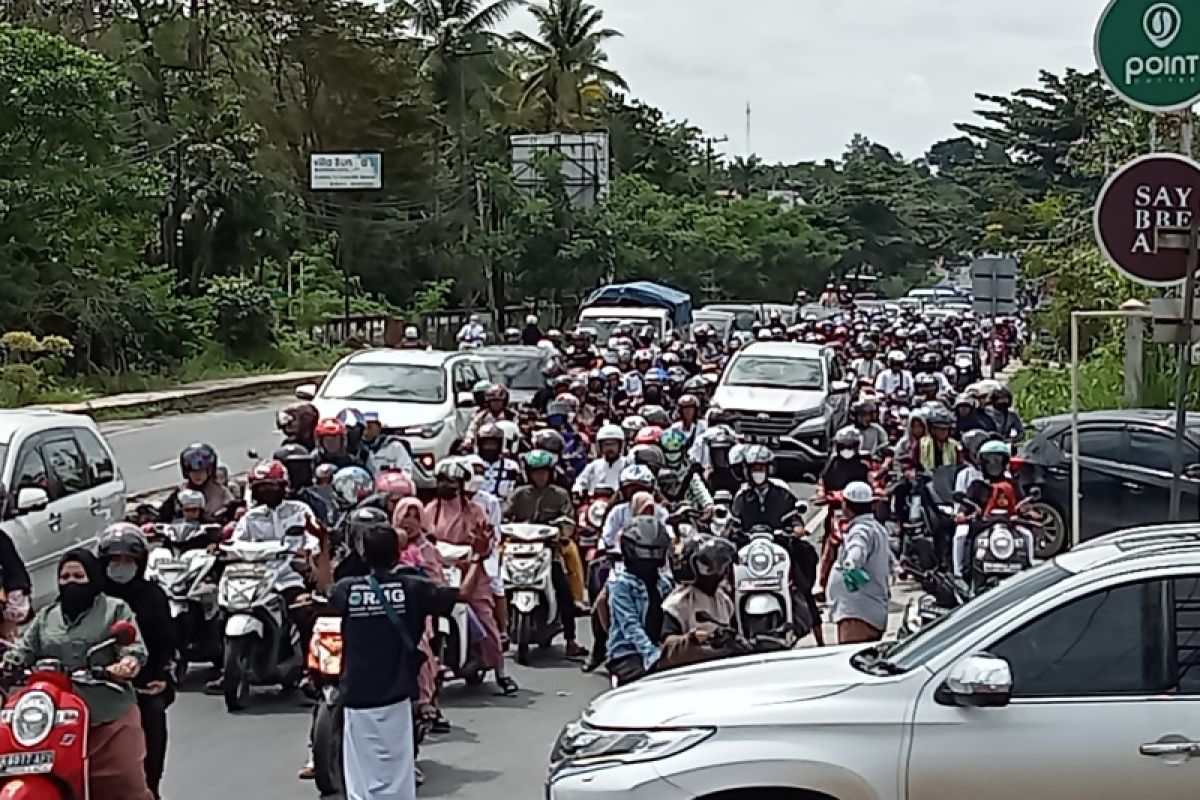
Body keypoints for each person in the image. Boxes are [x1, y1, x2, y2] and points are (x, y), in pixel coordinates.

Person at [4, 550, 153, 800]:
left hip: (106, 714)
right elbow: (23, 650)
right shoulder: (47, 616)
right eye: (64, 576)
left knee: (124, 784)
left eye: (78, 576)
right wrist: (7, 666)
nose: (70, 582)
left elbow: (133, 647)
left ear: (93, 577)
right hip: (55, 718)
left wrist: (125, 664)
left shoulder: (114, 609)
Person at [331, 523, 458, 800]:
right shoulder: (414, 588)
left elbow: (328, 586)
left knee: (362, 775)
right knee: (397, 772)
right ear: (397, 554)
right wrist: (481, 559)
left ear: (363, 555)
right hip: (397, 695)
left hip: (357, 697)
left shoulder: (346, 590)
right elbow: (461, 596)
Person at [426, 459, 517, 695]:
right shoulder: (430, 511)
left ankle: (500, 672)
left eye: (451, 481)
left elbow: (486, 541)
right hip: (439, 572)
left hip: (471, 573)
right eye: (442, 480)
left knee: (485, 618)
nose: (445, 485)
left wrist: (479, 548)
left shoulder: (476, 511)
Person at [99, 524, 176, 799]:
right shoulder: (92, 596)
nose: (120, 566)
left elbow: (165, 642)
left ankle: (150, 789)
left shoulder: (152, 596)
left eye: (127, 560)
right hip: (91, 685)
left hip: (140, 684)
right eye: (114, 560)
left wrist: (161, 676)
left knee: (153, 716)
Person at [605, 512, 673, 686]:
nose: (648, 558)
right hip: (627, 653)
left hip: (659, 648)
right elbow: (630, 626)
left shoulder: (665, 584)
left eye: (654, 552)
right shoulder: (621, 585)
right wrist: (652, 655)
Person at [657, 536, 738, 671]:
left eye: (722, 565)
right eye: (710, 567)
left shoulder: (725, 602)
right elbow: (667, 647)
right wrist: (691, 640)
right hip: (689, 671)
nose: (720, 572)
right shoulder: (677, 603)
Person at [827, 481, 892, 645]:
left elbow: (857, 549)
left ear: (847, 506)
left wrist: (851, 565)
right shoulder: (878, 529)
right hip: (868, 610)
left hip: (857, 613)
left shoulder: (860, 530)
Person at [157, 443, 232, 523]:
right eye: (193, 472)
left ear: (209, 470)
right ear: (187, 472)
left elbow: (233, 513)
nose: (198, 475)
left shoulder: (221, 491)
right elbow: (163, 515)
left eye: (201, 471)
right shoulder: (180, 491)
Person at [572, 424, 628, 498]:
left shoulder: (627, 464)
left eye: (613, 444)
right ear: (600, 446)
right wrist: (578, 489)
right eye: (606, 445)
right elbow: (581, 481)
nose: (610, 448)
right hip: (594, 503)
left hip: (618, 503)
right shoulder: (594, 465)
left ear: (620, 445)